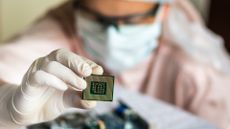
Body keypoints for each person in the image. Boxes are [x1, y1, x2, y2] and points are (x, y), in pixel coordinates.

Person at [0, 0, 229, 128]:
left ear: (163, 10)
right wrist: (4, 106)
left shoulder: (198, 70)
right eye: (97, 19)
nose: (111, 35)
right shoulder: (60, 30)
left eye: (130, 21)